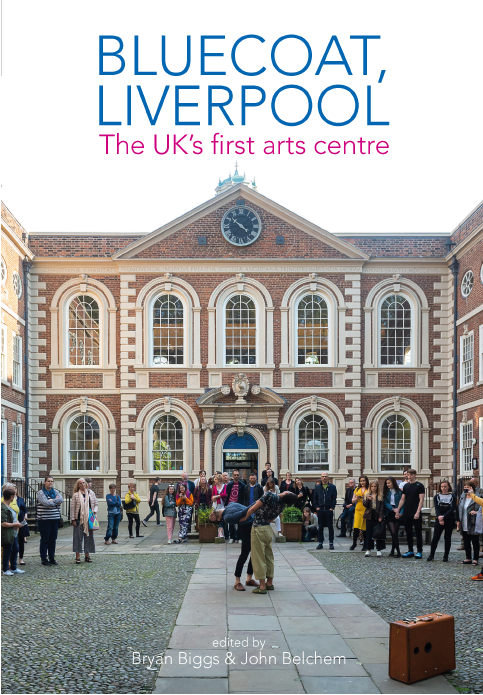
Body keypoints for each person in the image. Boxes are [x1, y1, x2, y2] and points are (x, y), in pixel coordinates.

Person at [209, 490, 296, 593]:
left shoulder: (231, 505)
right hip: (251, 528)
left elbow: (252, 507)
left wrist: (247, 515)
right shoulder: (227, 517)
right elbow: (247, 510)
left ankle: (251, 579)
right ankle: (239, 581)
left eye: (212, 514)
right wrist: (249, 516)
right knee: (247, 554)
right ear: (219, 520)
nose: (211, 514)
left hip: (256, 526)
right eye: (212, 517)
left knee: (255, 556)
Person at [396, 469, 425, 558]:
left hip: (415, 511)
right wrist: (398, 509)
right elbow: (402, 499)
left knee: (418, 531)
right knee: (408, 532)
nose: (409, 476)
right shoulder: (406, 486)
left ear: (415, 475)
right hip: (407, 512)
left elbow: (421, 500)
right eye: (408, 474)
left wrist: (417, 512)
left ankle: (419, 551)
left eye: (411, 474)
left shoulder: (420, 485)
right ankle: (410, 550)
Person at [427, 480, 456, 562]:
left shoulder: (453, 497)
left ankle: (446, 556)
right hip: (439, 519)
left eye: (445, 486)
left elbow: (452, 508)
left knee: (447, 537)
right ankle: (431, 554)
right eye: (442, 486)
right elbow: (437, 508)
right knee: (435, 537)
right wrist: (440, 517)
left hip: (449, 519)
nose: (443, 488)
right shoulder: (437, 496)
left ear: (448, 487)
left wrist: (444, 516)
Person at [36, 475, 63, 566]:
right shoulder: (40, 493)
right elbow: (45, 503)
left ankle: (52, 558)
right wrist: (55, 502)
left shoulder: (55, 491)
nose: (50, 483)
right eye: (48, 481)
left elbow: (61, 499)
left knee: (53, 539)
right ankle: (44, 559)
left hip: (55, 519)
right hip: (44, 519)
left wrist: (52, 501)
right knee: (45, 539)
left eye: (51, 481)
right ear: (44, 482)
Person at [70, 478, 98, 563]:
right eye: (81, 483)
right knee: (77, 538)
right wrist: (73, 519)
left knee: (89, 537)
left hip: (89, 518)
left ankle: (87, 555)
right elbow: (72, 508)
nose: (83, 484)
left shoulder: (91, 493)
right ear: (78, 485)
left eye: (84, 483)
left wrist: (94, 511)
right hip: (79, 519)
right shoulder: (75, 495)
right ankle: (77, 556)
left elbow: (96, 504)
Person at [1, 488, 25, 575]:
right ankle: (5, 569)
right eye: (14, 495)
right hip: (7, 533)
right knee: (8, 550)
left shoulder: (9, 506)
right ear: (11, 496)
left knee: (15, 549)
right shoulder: (3, 508)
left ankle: (14, 567)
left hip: (13, 533)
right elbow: (3, 524)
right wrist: (15, 525)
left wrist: (17, 523)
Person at [457, 481, 480, 565]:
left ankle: (476, 559)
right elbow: (459, 509)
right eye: (465, 487)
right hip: (464, 521)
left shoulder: (477, 497)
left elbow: (481, 509)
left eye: (468, 487)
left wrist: (476, 512)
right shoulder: (462, 497)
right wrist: (458, 521)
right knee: (466, 541)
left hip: (473, 522)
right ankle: (468, 558)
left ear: (472, 488)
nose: (466, 489)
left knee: (475, 541)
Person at [313, 473, 337, 550]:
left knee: (330, 526)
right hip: (320, 509)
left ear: (328, 477)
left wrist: (332, 508)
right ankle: (320, 543)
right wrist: (316, 507)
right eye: (322, 476)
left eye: (325, 476)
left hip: (328, 509)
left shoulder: (332, 487)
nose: (324, 478)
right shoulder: (317, 487)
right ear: (321, 477)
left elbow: (334, 498)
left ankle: (331, 543)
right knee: (320, 526)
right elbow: (315, 498)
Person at [363, 481, 386, 557]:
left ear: (377, 487)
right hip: (369, 515)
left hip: (377, 514)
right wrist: (369, 500)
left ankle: (378, 549)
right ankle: (368, 549)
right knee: (369, 533)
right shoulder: (367, 495)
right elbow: (365, 505)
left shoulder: (380, 495)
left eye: (375, 486)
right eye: (372, 486)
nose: (373, 488)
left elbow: (382, 507)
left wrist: (381, 516)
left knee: (378, 533)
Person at [383, 477, 403, 557]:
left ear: (393, 483)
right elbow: (385, 503)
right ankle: (398, 552)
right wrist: (392, 509)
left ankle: (392, 551)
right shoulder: (386, 492)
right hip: (389, 513)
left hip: (397, 513)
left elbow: (403, 503)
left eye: (389, 483)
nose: (388, 485)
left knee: (395, 533)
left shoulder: (399, 492)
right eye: (387, 483)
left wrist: (400, 513)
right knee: (393, 533)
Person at [225, 469, 246, 543]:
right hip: (230, 505)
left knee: (240, 522)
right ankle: (232, 537)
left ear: (239, 476)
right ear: (232, 475)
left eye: (237, 475)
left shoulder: (243, 485)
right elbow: (227, 495)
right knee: (231, 522)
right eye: (235, 475)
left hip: (239, 505)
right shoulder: (229, 484)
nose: (236, 476)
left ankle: (239, 537)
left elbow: (243, 496)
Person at [350, 475, 369, 550]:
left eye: (363, 481)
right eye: (361, 481)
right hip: (358, 509)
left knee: (364, 528)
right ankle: (354, 543)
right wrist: (357, 498)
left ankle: (365, 544)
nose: (362, 482)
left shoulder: (369, 489)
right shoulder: (357, 489)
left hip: (366, 509)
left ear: (366, 481)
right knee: (356, 527)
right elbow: (352, 500)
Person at [212, 473, 228, 538]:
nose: (214, 480)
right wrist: (213, 498)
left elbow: (225, 494)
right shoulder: (214, 487)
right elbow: (212, 495)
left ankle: (222, 532)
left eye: (215, 479)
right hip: (215, 504)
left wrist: (218, 496)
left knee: (221, 518)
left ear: (219, 480)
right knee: (216, 518)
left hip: (222, 504)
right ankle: (219, 532)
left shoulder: (225, 486)